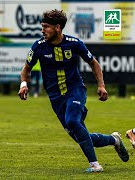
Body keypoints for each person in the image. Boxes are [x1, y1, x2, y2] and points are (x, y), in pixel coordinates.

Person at [18, 9, 129, 172]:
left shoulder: (74, 43)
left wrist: (101, 85)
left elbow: (94, 63)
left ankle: (95, 165)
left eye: (46, 26)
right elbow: (26, 69)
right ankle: (114, 140)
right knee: (81, 136)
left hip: (75, 90)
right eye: (42, 26)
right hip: (56, 98)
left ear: (57, 27)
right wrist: (23, 85)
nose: (42, 30)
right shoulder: (39, 46)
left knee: (72, 121)